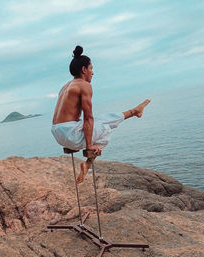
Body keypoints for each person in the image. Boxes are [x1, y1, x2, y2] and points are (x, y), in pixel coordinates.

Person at [51, 45, 151, 183]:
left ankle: (134, 111)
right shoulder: (84, 86)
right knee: (106, 131)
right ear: (84, 69)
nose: (93, 72)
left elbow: (74, 115)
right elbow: (88, 118)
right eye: (91, 68)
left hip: (58, 132)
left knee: (104, 119)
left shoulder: (66, 86)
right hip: (70, 135)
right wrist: (89, 146)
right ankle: (87, 164)